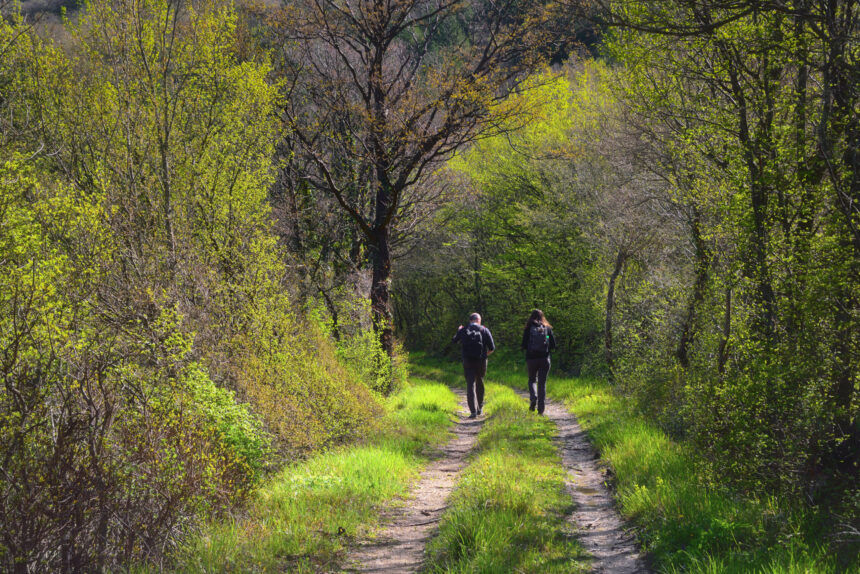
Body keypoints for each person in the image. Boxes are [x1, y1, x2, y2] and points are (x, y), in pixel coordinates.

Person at [452, 313, 495, 418]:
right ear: (478, 320)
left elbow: (454, 341)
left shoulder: (464, 330)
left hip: (468, 360)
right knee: (479, 381)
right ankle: (480, 408)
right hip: (481, 361)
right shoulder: (484, 330)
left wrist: (458, 331)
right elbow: (492, 347)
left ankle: (473, 411)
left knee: (470, 384)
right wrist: (485, 355)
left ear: (470, 320)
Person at [521, 309, 557, 415]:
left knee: (532, 380)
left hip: (531, 359)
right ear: (542, 317)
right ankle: (541, 410)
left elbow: (523, 344)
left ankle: (533, 397)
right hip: (545, 359)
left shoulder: (528, 329)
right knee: (542, 383)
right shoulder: (547, 328)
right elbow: (553, 345)